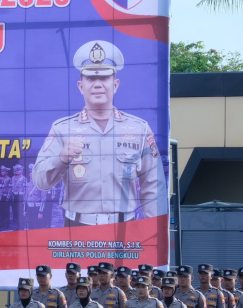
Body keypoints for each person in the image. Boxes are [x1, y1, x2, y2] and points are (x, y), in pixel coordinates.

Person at [32, 40, 168, 227]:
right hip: (77, 229)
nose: (97, 85)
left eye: (104, 78)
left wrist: (157, 232)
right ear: (81, 86)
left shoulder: (139, 128)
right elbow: (40, 180)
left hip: (124, 229)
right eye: (91, 79)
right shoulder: (62, 129)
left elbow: (154, 187)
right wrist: (62, 158)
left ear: (116, 84)